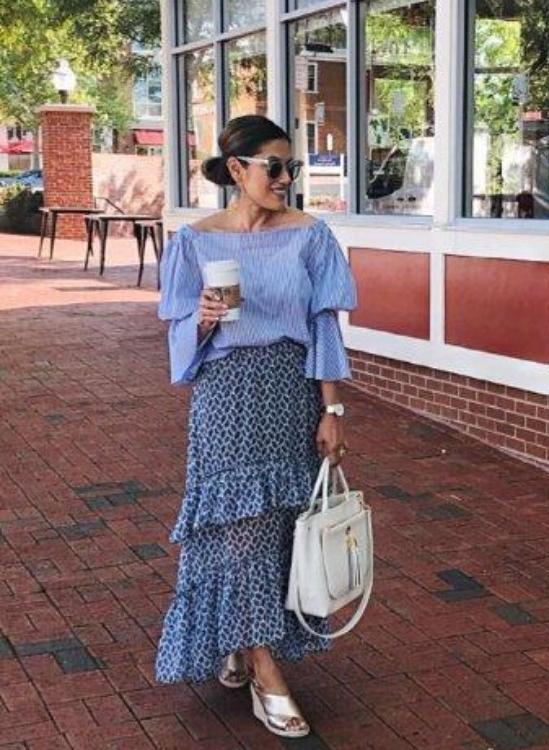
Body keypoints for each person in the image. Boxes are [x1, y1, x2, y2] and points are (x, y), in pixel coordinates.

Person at [153, 115, 357, 739]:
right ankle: (266, 672)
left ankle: (244, 642)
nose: (286, 177)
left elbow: (323, 326)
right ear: (237, 169)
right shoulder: (195, 242)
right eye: (274, 166)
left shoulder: (310, 235)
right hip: (225, 396)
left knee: (279, 530)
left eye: (291, 166)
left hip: (289, 393)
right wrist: (203, 319)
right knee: (237, 531)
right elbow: (178, 340)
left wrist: (332, 409)